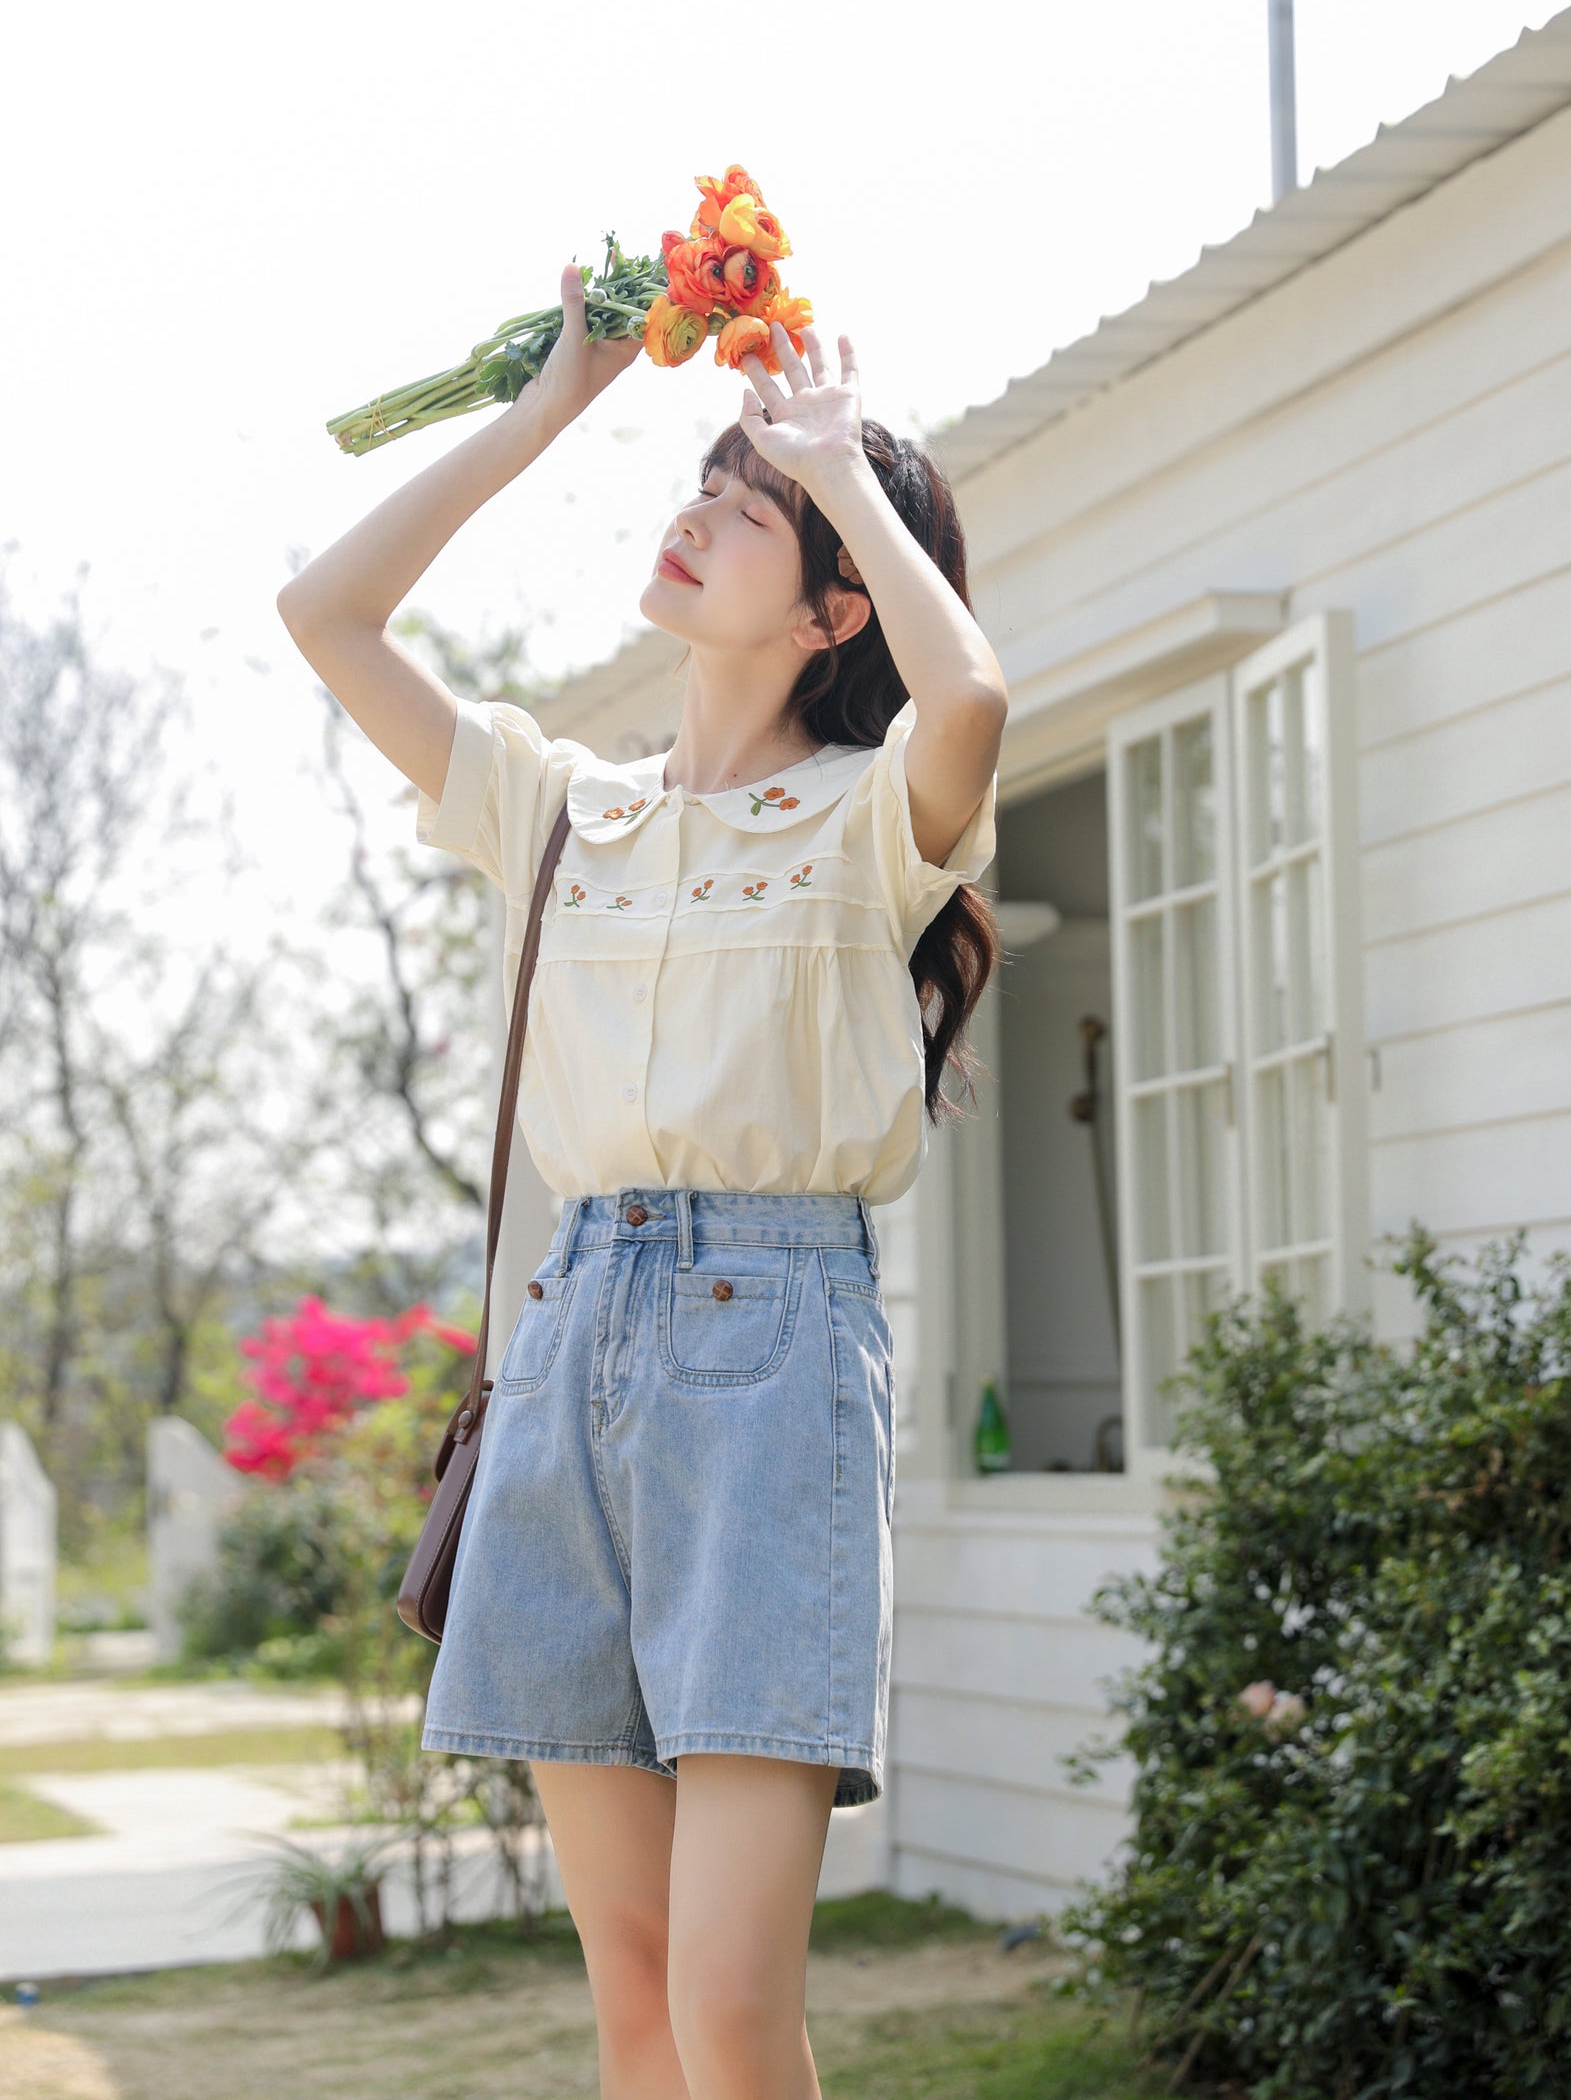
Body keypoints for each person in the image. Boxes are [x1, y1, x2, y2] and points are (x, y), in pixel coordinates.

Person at [277, 261, 1008, 2098]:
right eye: (706, 483)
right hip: (567, 1349)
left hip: (771, 1365)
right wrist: (540, 419)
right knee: (632, 1988)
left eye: (747, 510)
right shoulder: (562, 807)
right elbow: (327, 610)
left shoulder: (865, 811)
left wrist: (838, 464)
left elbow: (973, 695)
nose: (697, 513)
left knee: (734, 2006)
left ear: (833, 596)